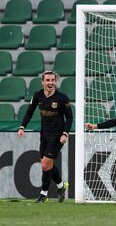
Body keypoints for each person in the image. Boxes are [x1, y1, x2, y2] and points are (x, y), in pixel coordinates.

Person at [17, 71, 73, 203]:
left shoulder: (62, 98)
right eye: (47, 80)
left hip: (57, 135)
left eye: (52, 80)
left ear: (56, 81)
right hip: (44, 134)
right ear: (42, 82)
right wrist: (22, 127)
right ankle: (61, 186)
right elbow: (29, 112)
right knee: (47, 165)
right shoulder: (38, 95)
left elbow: (70, 118)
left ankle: (44, 194)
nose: (50, 83)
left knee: (44, 164)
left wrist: (65, 133)